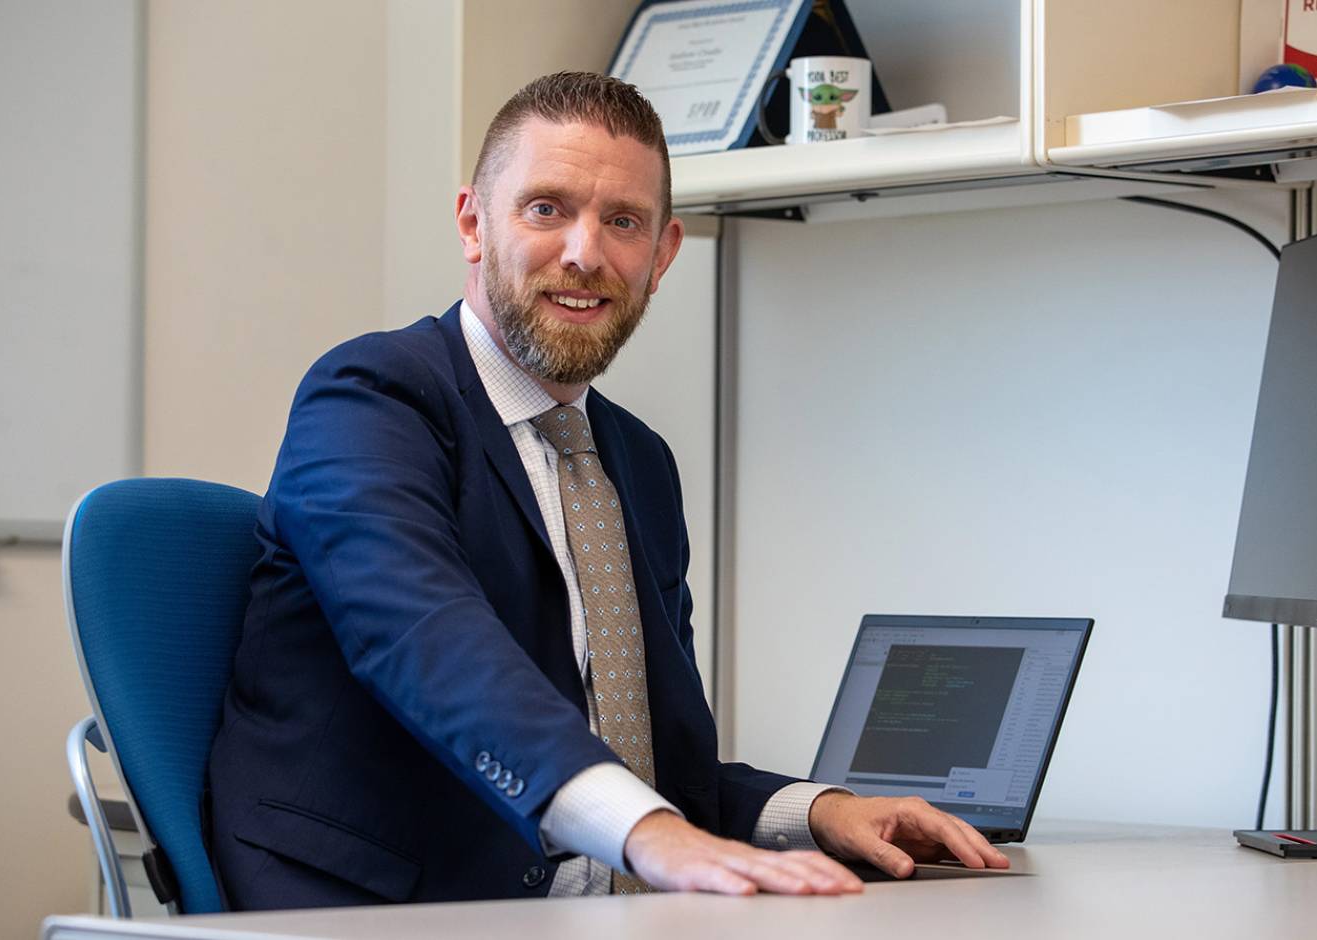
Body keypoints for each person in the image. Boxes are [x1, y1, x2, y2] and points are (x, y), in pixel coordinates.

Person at [206, 71, 1008, 909]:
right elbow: (425, 644)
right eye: (546, 208)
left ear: (661, 256)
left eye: (622, 221)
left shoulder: (636, 461)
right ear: (473, 225)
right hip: (374, 908)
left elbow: (661, 769)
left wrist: (820, 813)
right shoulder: (371, 398)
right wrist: (650, 834)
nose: (585, 252)